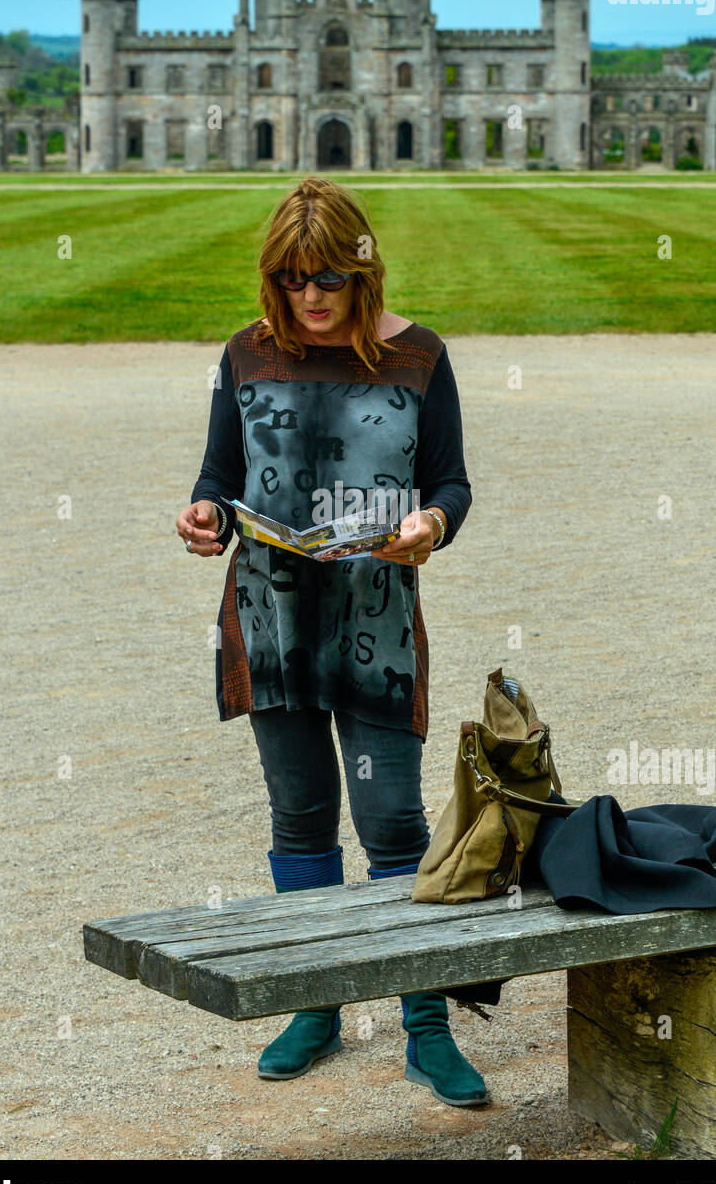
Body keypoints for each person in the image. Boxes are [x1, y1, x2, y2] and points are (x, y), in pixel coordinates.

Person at [175, 176, 485, 1107]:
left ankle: (423, 1025)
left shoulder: (419, 357)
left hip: (375, 613)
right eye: (290, 277)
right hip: (269, 614)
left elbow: (452, 484)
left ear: (362, 271)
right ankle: (317, 1004)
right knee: (301, 815)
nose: (309, 295)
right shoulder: (246, 355)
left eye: (327, 278)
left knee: (392, 818)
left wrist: (430, 524)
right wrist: (201, 519)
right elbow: (219, 476)